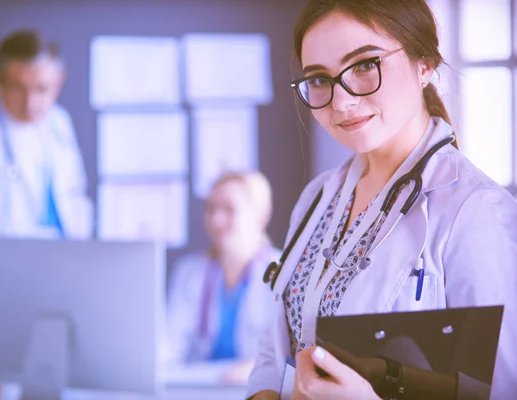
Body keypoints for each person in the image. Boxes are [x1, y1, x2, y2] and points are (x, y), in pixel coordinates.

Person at [247, 0, 517, 399]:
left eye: (364, 66)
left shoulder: (475, 211)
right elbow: (278, 345)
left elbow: (504, 388)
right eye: (320, 78)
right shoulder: (316, 198)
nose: (341, 102)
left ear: (423, 63)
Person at [0, 30, 93, 389]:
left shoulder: (59, 125)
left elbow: (77, 206)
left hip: (58, 303)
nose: (30, 103)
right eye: (17, 88)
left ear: (60, 81)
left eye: (43, 88)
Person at [167, 172, 280, 383]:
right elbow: (169, 347)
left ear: (261, 215)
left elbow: (291, 352)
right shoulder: (189, 272)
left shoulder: (284, 272)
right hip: (197, 389)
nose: (216, 220)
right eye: (211, 209)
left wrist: (259, 368)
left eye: (229, 209)